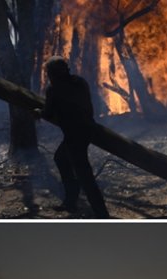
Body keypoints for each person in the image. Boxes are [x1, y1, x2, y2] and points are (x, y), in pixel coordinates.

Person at [34, 56, 109, 219]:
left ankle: (101, 213)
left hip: (74, 134)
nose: (48, 75)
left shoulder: (54, 89)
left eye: (49, 72)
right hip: (87, 129)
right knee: (61, 158)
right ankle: (70, 202)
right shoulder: (80, 82)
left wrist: (38, 113)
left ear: (53, 73)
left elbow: (47, 113)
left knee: (84, 173)